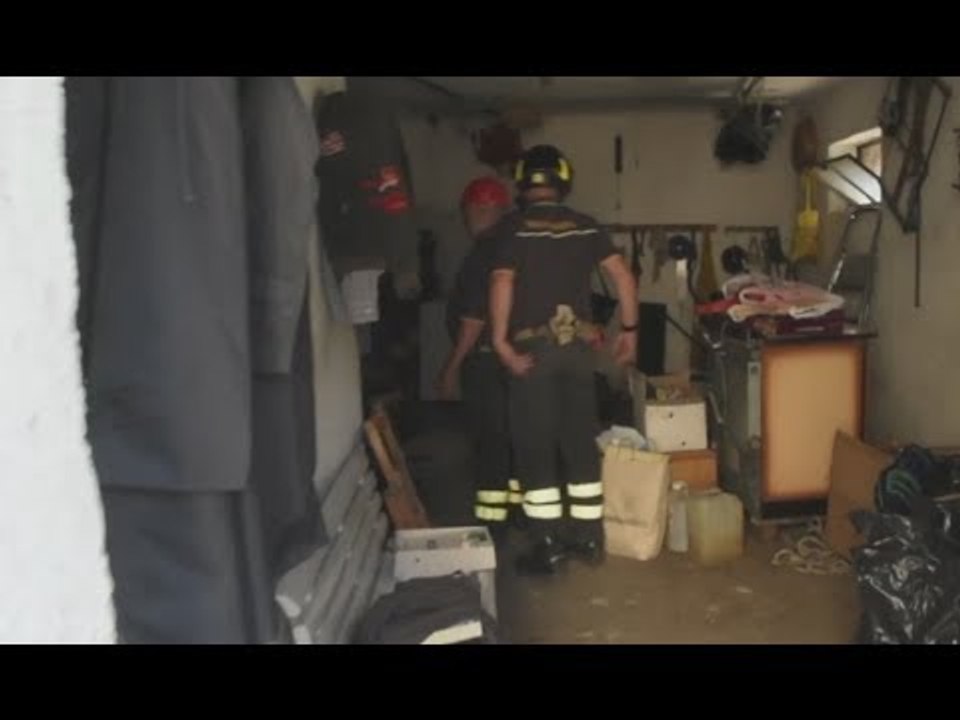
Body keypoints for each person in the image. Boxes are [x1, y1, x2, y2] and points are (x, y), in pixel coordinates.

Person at [489, 144, 638, 575]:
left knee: (536, 448)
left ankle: (548, 544)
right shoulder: (585, 226)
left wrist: (500, 343)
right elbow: (623, 276)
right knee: (579, 443)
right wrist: (629, 331)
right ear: (563, 179)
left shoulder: (514, 229)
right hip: (578, 351)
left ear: (522, 181)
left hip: (533, 353)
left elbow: (502, 281)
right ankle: (589, 540)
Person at [437, 176, 523, 532]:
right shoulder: (515, 246)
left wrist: (452, 367)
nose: (471, 217)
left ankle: (493, 524)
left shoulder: (483, 254)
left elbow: (474, 318)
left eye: (476, 210)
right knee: (513, 437)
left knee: (491, 442)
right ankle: (518, 514)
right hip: (515, 361)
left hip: (487, 362)